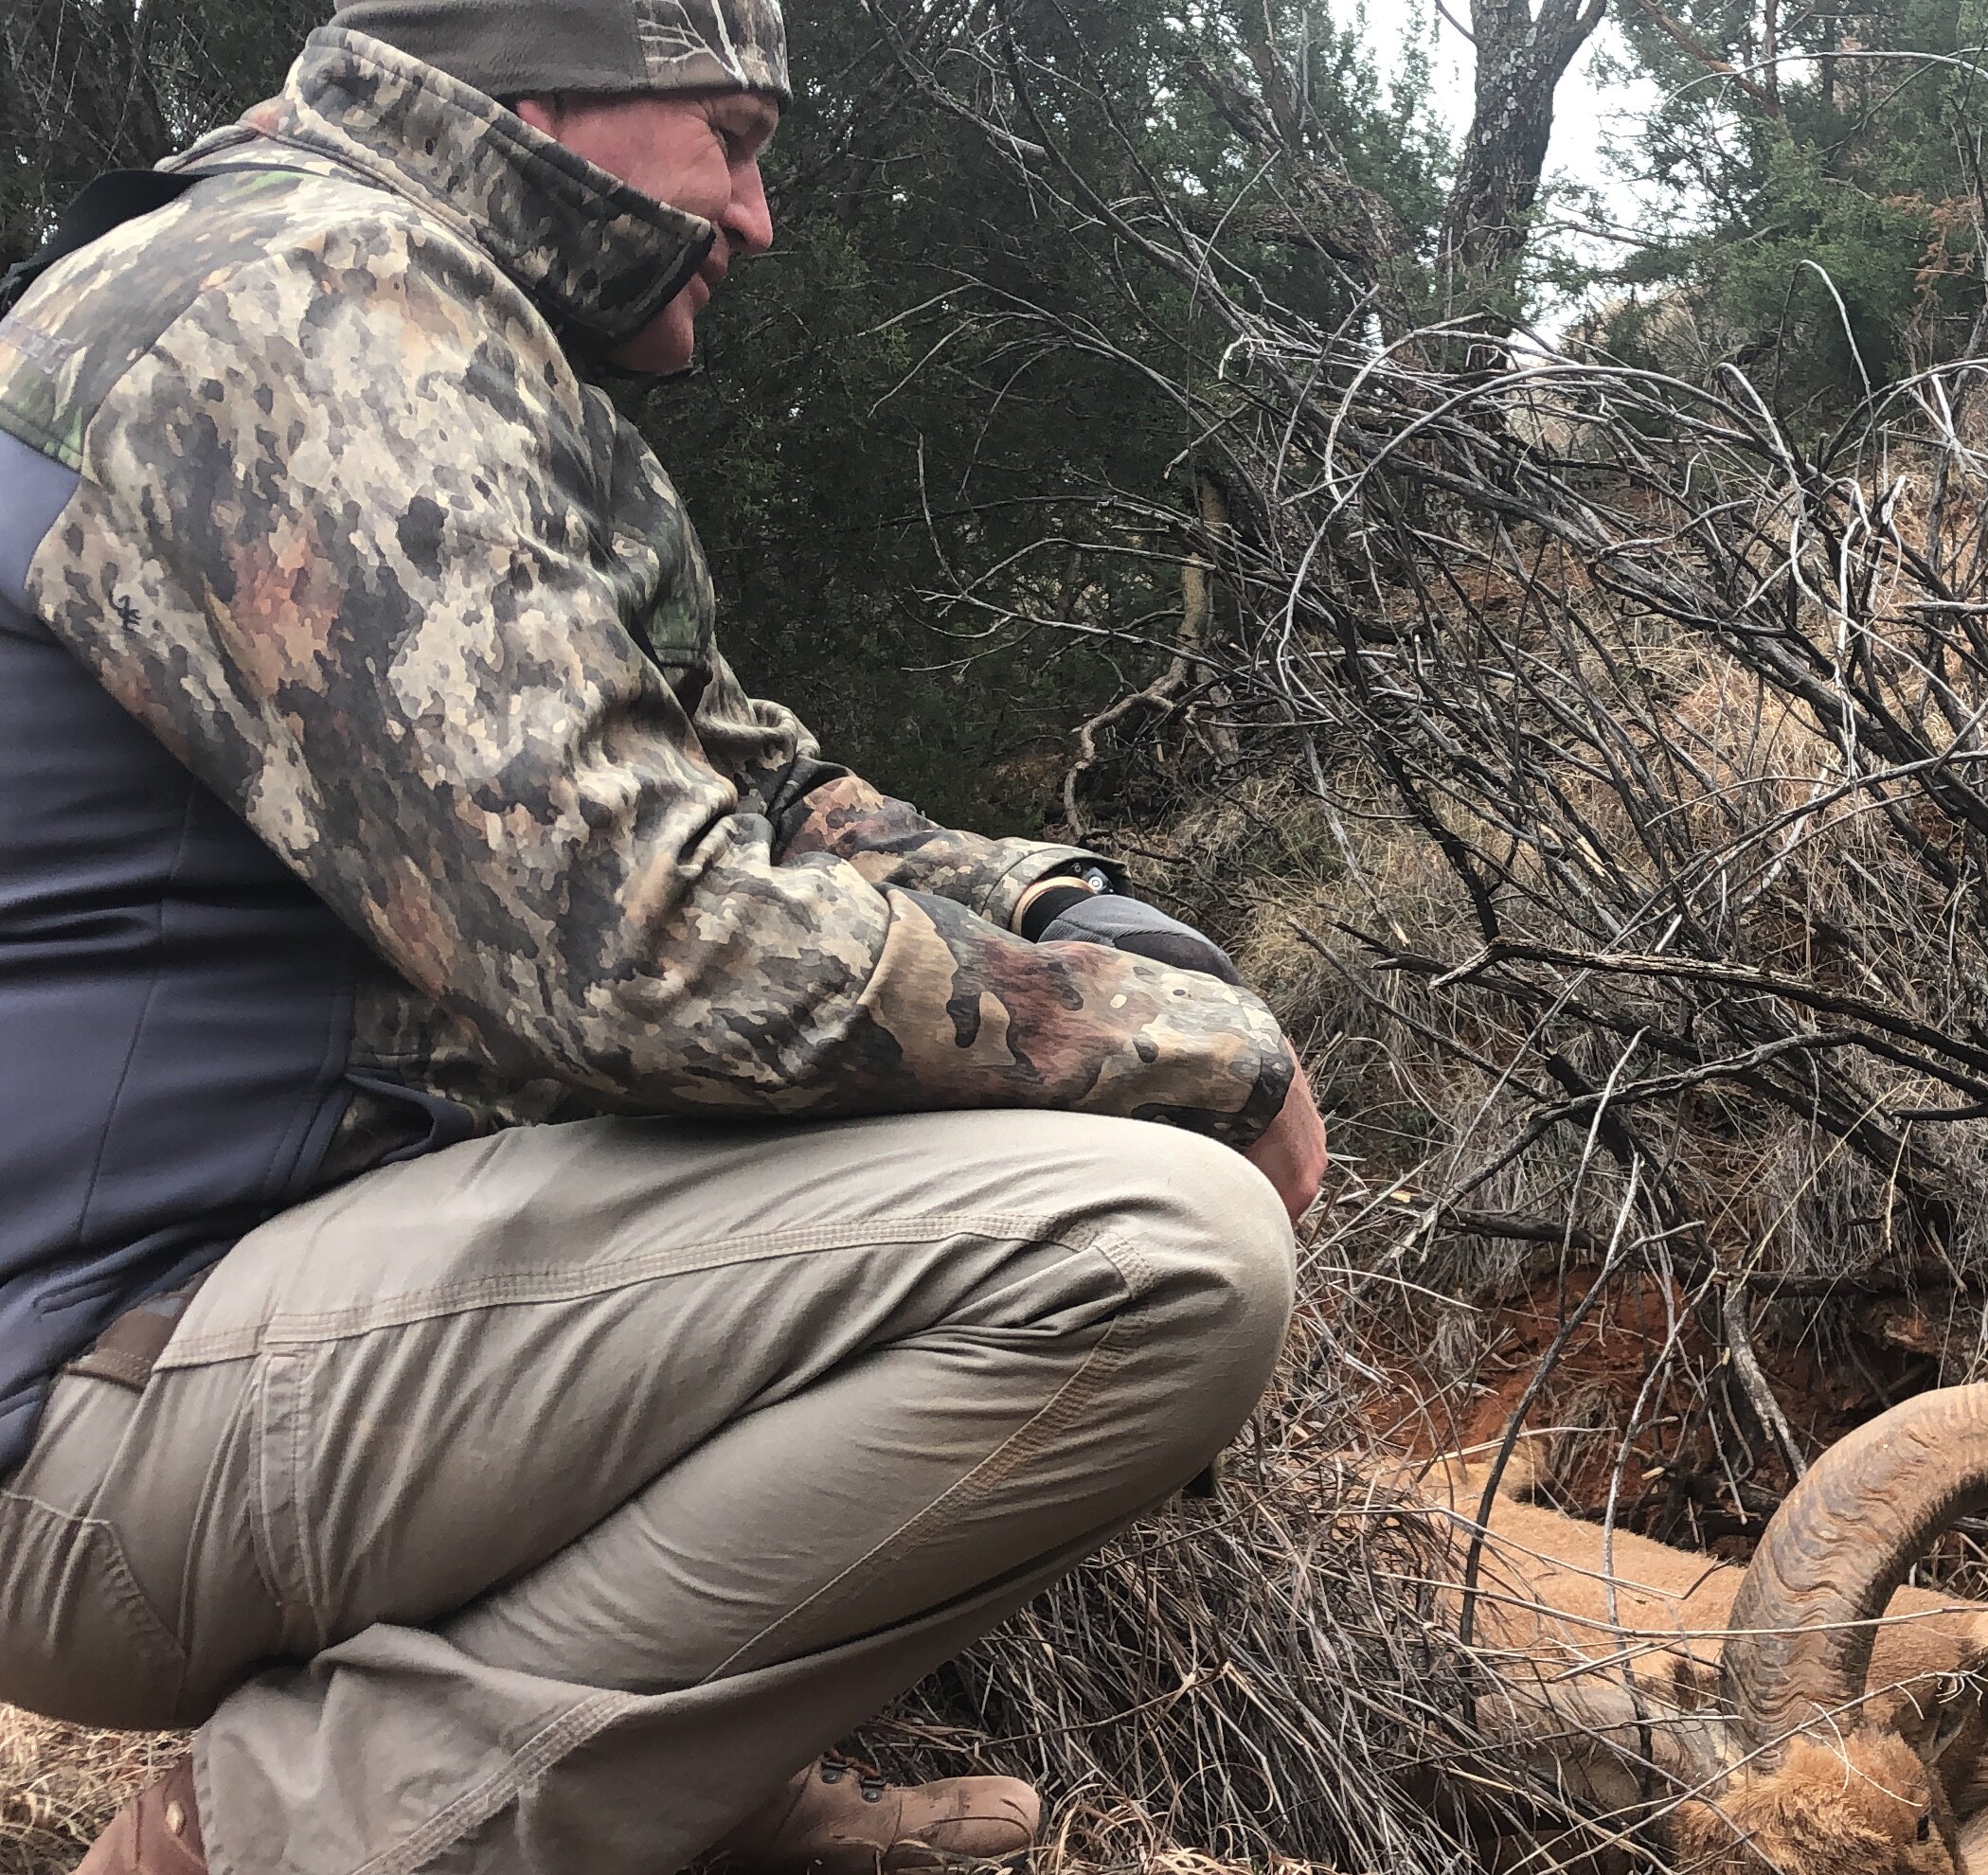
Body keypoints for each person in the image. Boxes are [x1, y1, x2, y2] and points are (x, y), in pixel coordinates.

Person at [0, 0, 1328, 1869]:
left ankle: (663, 1802)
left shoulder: (354, 299)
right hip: (96, 1409)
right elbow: (640, 952)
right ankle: (284, 1834)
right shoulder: (304, 310)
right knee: (1151, 1253)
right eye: (730, 138)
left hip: (209, 1337)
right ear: (542, 106)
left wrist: (1059, 910)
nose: (762, 219)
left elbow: (751, 798)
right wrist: (1187, 1055)